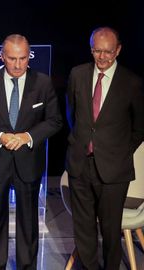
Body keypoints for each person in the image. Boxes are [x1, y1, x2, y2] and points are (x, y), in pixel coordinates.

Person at [0, 34, 62, 269]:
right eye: (12, 58)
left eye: (23, 58)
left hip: (28, 162)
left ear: (29, 56)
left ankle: (27, 265)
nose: (18, 65)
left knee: (28, 220)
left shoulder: (42, 83)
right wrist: (0, 137)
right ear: (2, 57)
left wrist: (27, 137)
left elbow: (54, 121)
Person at [66, 26, 144, 270]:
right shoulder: (77, 75)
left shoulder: (132, 83)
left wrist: (117, 152)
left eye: (108, 52)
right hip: (81, 164)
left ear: (118, 50)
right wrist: (84, 144)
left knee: (111, 232)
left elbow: (140, 128)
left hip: (114, 170)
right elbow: (72, 114)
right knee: (84, 228)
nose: (102, 57)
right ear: (91, 49)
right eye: (97, 51)